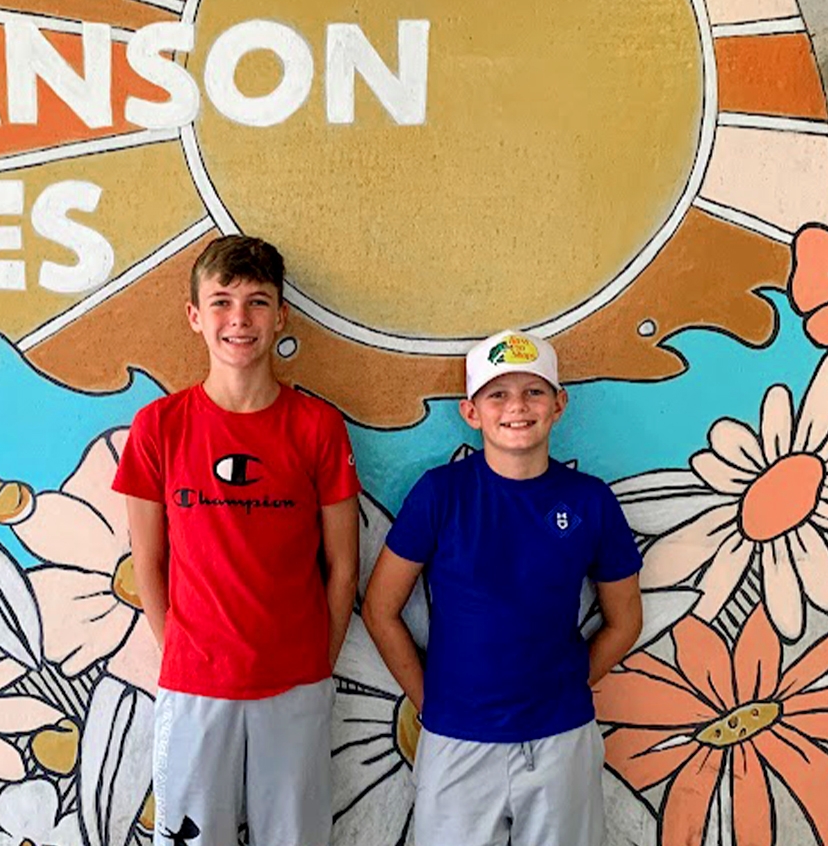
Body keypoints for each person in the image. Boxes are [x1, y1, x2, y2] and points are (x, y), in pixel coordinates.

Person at [113, 235, 361, 846]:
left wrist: (313, 665)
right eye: (221, 302)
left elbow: (345, 568)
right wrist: (180, 651)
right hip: (194, 686)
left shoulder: (317, 426)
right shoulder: (159, 427)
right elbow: (148, 561)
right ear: (195, 317)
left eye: (256, 302)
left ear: (280, 315)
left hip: (296, 684)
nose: (239, 319)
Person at [362, 330, 643, 846]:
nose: (517, 406)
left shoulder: (590, 500)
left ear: (559, 404)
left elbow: (625, 620)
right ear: (472, 412)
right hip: (455, 740)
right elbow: (381, 609)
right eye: (498, 394)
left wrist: (567, 684)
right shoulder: (439, 494)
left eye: (534, 391)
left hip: (561, 739)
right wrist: (430, 701)